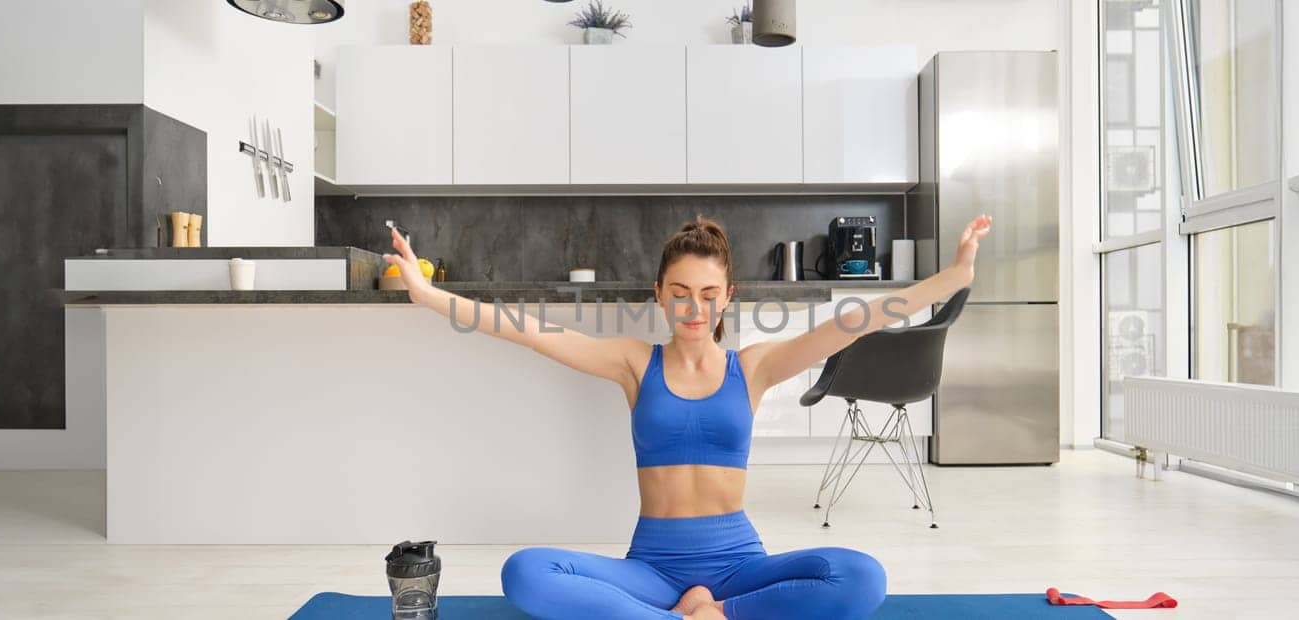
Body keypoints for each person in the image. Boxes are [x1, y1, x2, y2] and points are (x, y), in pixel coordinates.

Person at [383, 214, 992, 620]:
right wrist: (427, 294)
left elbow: (857, 319)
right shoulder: (632, 364)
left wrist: (952, 277)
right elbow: (533, 333)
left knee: (863, 577)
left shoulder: (752, 368)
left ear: (727, 297)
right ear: (659, 294)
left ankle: (713, 612)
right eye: (680, 292)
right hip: (651, 566)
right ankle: (683, 615)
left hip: (739, 564)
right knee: (526, 573)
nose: (693, 307)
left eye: (707, 293)